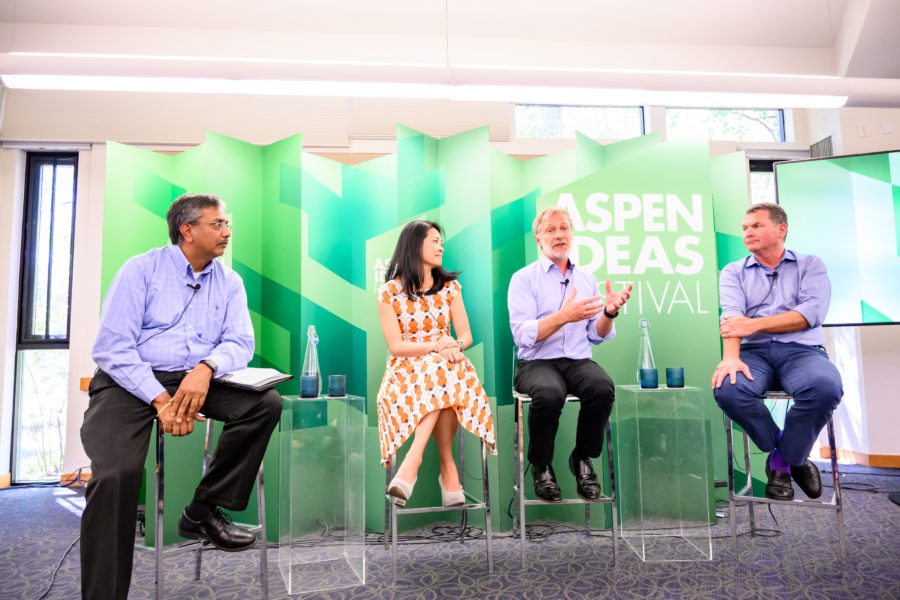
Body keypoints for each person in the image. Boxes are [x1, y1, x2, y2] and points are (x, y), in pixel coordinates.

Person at [81, 193, 282, 600]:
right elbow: (112, 348)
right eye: (218, 224)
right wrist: (160, 400)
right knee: (115, 476)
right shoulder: (141, 270)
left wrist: (205, 370)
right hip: (130, 381)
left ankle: (202, 511)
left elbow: (240, 343)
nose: (228, 231)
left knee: (264, 404)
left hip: (196, 377)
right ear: (186, 230)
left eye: (227, 224)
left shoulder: (230, 281)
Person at [711, 202, 843, 501]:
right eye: (745, 228)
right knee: (728, 388)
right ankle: (786, 453)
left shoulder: (810, 265)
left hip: (802, 351)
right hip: (754, 353)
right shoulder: (734, 272)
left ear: (781, 229)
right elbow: (732, 320)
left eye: (756, 226)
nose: (748, 232)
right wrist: (730, 358)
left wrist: (753, 324)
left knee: (826, 387)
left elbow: (808, 315)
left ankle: (782, 463)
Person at [508, 207, 632, 503]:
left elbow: (596, 335)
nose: (559, 234)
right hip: (536, 362)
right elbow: (522, 334)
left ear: (572, 235)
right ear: (539, 240)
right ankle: (542, 466)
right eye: (550, 230)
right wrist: (564, 316)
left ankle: (582, 458)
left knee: (602, 388)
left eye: (564, 228)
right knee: (549, 393)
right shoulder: (524, 279)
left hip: (577, 359)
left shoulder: (586, 278)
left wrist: (609, 312)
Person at [376, 220, 497, 507]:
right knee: (441, 371)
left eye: (440, 241)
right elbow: (396, 347)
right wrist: (436, 346)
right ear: (414, 245)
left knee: (443, 371)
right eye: (434, 241)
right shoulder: (388, 294)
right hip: (405, 370)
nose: (441, 247)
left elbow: (465, 335)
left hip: (447, 364)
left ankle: (412, 465)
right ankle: (446, 466)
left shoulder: (450, 288)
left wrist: (452, 345)